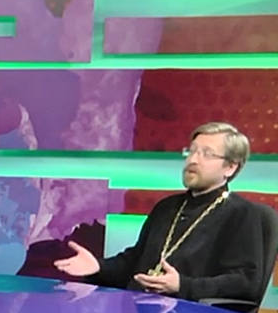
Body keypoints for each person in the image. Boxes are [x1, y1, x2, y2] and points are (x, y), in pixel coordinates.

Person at [54, 122, 267, 303]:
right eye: (191, 151)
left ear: (230, 167)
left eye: (207, 154)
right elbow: (135, 260)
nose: (193, 160)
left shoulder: (242, 214)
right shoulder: (167, 207)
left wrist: (182, 285)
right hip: (138, 310)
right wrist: (99, 267)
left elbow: (245, 282)